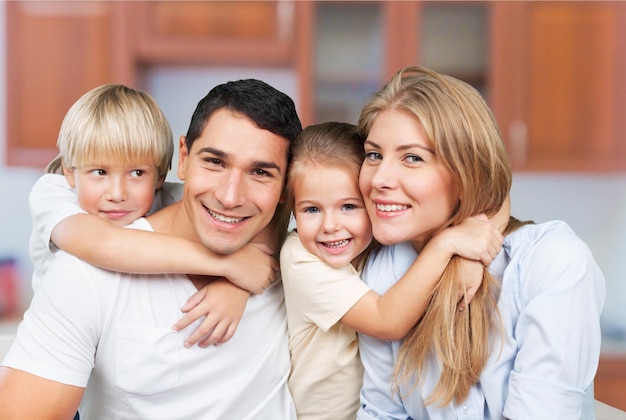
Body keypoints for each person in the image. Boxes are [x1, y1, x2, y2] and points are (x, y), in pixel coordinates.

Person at [0, 78, 302, 419]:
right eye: (215, 162)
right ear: (184, 158)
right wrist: (229, 267)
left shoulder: (296, 259)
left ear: (286, 186)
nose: (230, 197)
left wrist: (237, 283)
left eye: (260, 172)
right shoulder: (82, 270)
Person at [355, 65, 606, 419]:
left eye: (412, 158)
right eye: (374, 155)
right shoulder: (382, 272)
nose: (379, 178)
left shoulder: (552, 262)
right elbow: (383, 413)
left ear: (465, 173)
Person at [280, 121, 504, 419]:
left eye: (349, 206)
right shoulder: (301, 258)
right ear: (293, 210)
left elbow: (498, 196)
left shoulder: (379, 237)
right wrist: (446, 245)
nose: (330, 226)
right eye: (311, 210)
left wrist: (473, 257)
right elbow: (386, 321)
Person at [29, 84, 277, 346]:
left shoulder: (172, 198)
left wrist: (235, 287)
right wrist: (228, 265)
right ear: (70, 172)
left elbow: (257, 217)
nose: (117, 193)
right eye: (100, 172)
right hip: (60, 338)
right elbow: (104, 244)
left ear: (159, 176)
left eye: (137, 173)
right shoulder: (53, 192)